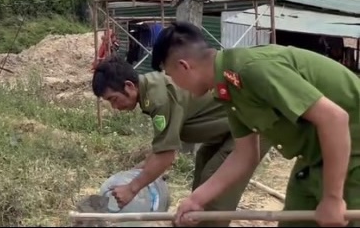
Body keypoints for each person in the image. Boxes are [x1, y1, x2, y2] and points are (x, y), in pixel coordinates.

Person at [151, 21, 360, 227]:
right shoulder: (229, 87)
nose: (175, 84)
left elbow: (335, 119)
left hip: (351, 153)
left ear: (184, 66)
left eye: (171, 76)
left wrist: (333, 198)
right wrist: (196, 199)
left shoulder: (252, 70)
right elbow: (245, 155)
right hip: (315, 156)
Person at [92, 56, 269, 227]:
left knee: (213, 191)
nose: (114, 107)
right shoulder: (150, 88)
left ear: (129, 86)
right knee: (201, 178)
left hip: (248, 126)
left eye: (113, 99)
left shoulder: (158, 98)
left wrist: (132, 188)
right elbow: (162, 147)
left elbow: (165, 156)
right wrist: (137, 171)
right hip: (224, 130)